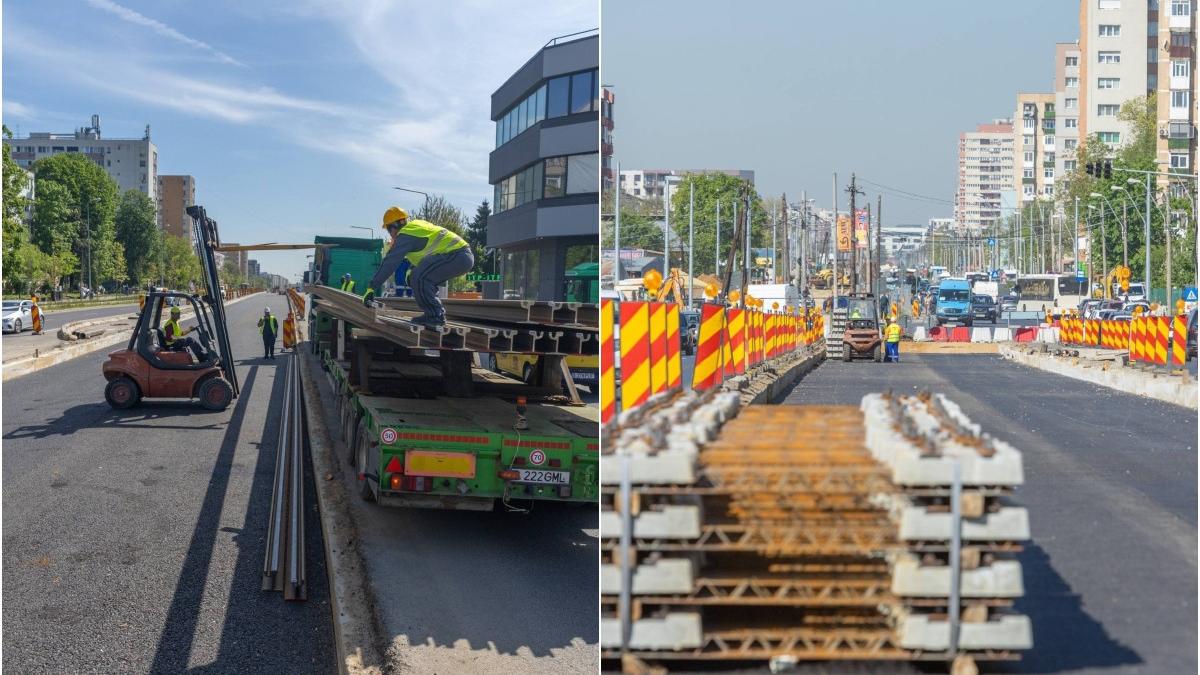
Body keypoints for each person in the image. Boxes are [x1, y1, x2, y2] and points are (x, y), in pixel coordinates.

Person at [363, 207, 474, 327]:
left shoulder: (405, 235)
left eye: (389, 230)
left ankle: (435, 316)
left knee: (419, 277)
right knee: (417, 277)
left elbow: (390, 262)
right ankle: (433, 313)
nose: (390, 234)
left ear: (394, 225)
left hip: (456, 255)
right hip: (460, 256)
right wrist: (411, 271)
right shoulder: (416, 227)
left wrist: (371, 287)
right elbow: (426, 254)